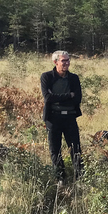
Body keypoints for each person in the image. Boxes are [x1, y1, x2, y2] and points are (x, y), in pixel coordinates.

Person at [40, 50, 83, 184]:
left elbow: (77, 99)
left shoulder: (74, 78)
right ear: (55, 62)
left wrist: (57, 99)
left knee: (75, 149)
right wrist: (68, 95)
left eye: (68, 60)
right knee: (55, 150)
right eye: (63, 60)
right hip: (53, 119)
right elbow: (47, 98)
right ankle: (60, 178)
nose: (67, 63)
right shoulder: (47, 77)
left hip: (70, 118)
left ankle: (80, 177)